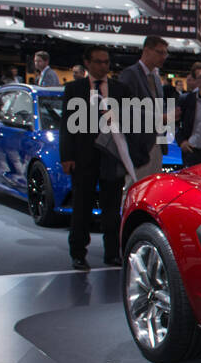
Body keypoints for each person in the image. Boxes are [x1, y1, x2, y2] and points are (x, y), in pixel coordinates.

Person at [59, 45, 133, 270]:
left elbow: (129, 123)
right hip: (83, 158)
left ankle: (112, 253)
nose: (104, 66)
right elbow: (66, 126)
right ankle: (78, 253)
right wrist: (67, 156)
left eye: (106, 62)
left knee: (112, 209)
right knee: (82, 207)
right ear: (88, 63)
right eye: (99, 62)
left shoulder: (121, 89)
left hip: (112, 157)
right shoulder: (74, 89)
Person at [116, 35, 170, 179]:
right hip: (138, 146)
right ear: (146, 51)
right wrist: (158, 118)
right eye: (160, 52)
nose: (164, 57)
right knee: (134, 188)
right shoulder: (130, 75)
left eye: (165, 53)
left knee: (152, 189)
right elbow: (122, 110)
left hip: (156, 144)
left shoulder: (156, 78)